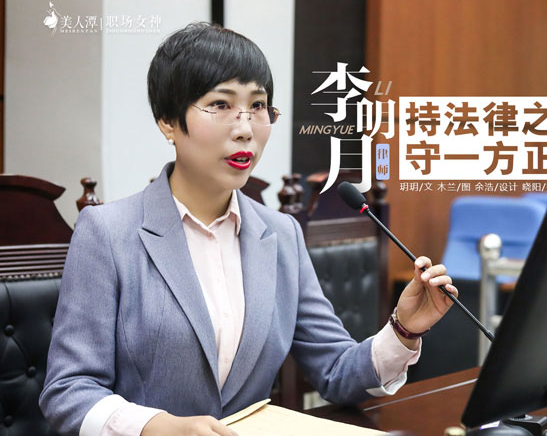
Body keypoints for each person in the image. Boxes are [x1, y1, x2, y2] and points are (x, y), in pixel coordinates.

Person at [39, 22, 458, 436]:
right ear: (168, 121)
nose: (245, 129)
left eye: (258, 106)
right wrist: (156, 426)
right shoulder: (108, 233)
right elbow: (68, 391)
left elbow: (334, 370)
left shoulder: (281, 234)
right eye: (220, 104)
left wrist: (403, 329)